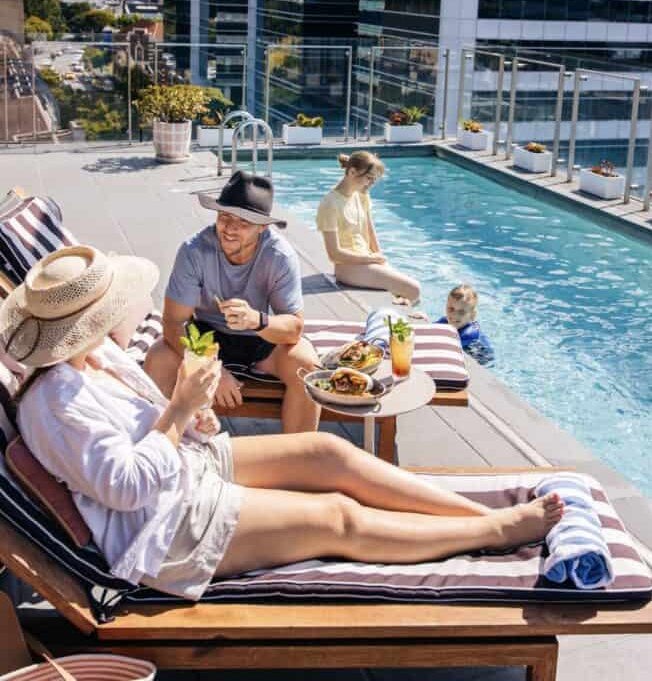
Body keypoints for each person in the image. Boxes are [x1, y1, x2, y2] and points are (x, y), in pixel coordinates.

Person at [3, 246, 564, 601]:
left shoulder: (96, 357)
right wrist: (176, 411)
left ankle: (479, 513)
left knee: (326, 452)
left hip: (188, 469)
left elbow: (159, 429)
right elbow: (124, 489)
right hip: (167, 527)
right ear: (88, 322)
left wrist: (192, 413)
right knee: (337, 517)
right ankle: (497, 531)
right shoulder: (55, 403)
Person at [145, 170, 320, 434]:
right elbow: (173, 321)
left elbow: (295, 328)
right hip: (206, 339)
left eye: (244, 222)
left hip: (262, 338)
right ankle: (164, 452)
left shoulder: (280, 256)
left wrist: (256, 320)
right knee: (158, 357)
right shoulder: (194, 250)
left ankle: (298, 456)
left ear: (263, 227)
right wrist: (211, 367)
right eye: (224, 216)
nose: (230, 228)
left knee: (307, 366)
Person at [316, 151, 421, 303]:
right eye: (369, 178)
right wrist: (371, 258)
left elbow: (370, 231)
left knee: (407, 293)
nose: (371, 184)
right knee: (413, 289)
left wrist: (380, 258)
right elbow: (334, 254)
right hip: (348, 267)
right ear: (352, 172)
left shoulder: (361, 195)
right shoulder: (330, 204)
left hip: (368, 261)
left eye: (374, 180)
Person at [437, 283, 494, 366]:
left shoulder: (469, 334)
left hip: (481, 359)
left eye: (461, 312)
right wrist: (424, 318)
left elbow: (447, 344)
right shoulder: (445, 321)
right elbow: (430, 329)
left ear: (472, 315)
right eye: (451, 309)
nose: (454, 315)